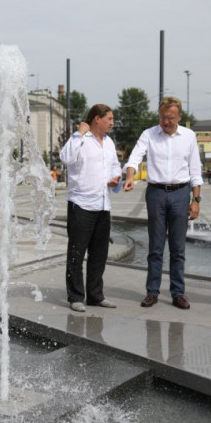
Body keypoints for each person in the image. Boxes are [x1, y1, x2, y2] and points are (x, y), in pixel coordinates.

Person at [123, 96, 203, 310]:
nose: (165, 122)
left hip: (180, 193)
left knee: (178, 248)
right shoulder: (149, 134)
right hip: (156, 193)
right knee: (156, 247)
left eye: (170, 118)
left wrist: (195, 200)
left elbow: (195, 170)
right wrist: (130, 176)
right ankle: (152, 291)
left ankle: (178, 292)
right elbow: (134, 158)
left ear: (179, 117)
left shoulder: (189, 136)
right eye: (162, 117)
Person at [60, 104, 122, 312]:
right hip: (82, 204)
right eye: (109, 118)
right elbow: (66, 158)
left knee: (99, 254)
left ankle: (95, 295)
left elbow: (115, 167)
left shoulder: (110, 143)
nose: (112, 122)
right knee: (77, 254)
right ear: (97, 119)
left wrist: (116, 180)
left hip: (103, 205)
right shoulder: (81, 140)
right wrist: (78, 133)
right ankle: (76, 296)